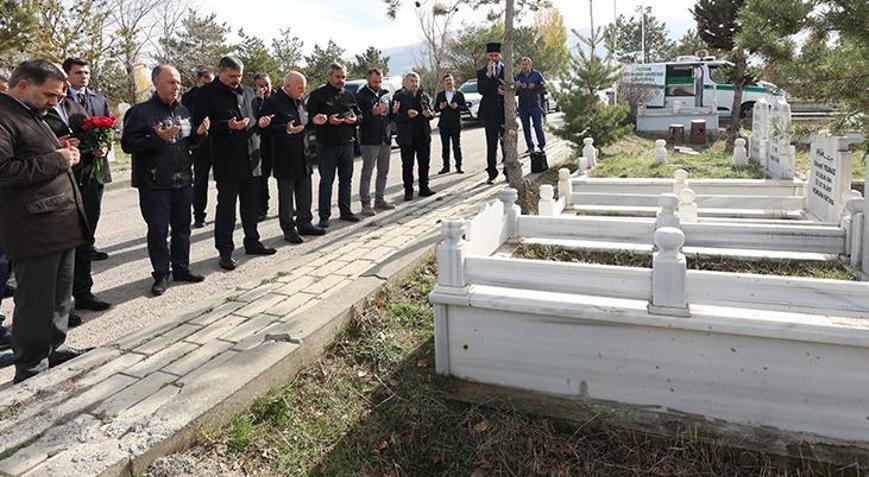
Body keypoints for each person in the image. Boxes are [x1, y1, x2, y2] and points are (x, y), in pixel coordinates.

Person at [0, 59, 91, 383]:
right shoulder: (4, 116)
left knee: (58, 299)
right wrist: (57, 159)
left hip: (58, 224)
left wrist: (58, 149)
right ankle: (30, 367)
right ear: (23, 85)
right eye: (49, 95)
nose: (54, 102)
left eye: (58, 96)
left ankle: (52, 349)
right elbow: (4, 172)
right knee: (36, 302)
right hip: (33, 230)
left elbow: (30, 154)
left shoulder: (29, 113)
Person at [122, 65, 208, 295]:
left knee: (182, 229)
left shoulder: (183, 110)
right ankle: (161, 274)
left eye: (178, 82)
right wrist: (156, 138)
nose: (176, 86)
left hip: (182, 180)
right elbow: (128, 145)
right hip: (154, 183)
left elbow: (188, 142)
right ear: (156, 83)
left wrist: (199, 135)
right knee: (159, 231)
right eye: (171, 82)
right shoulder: (140, 112)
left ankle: (181, 268)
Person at [192, 56, 276, 272]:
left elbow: (254, 117)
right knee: (227, 208)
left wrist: (262, 122)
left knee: (251, 205)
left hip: (251, 159)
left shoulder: (248, 92)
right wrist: (227, 126)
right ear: (221, 72)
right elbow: (199, 125)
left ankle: (252, 242)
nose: (236, 80)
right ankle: (225, 251)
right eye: (232, 76)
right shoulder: (206, 94)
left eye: (239, 75)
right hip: (227, 160)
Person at [43, 83, 100, 326]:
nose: (60, 95)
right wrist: (55, 145)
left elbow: (91, 133)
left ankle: (84, 293)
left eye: (64, 90)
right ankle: (61, 310)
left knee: (84, 239)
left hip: (84, 179)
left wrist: (99, 146)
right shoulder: (37, 112)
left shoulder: (74, 107)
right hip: (56, 184)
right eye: (55, 91)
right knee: (63, 249)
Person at [260, 71, 326, 244]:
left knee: (305, 193)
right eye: (300, 88)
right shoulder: (273, 103)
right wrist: (286, 129)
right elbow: (264, 130)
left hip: (303, 155)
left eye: (304, 88)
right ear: (287, 86)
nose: (303, 92)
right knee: (287, 197)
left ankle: (305, 223)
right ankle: (289, 229)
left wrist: (314, 121)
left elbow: (303, 124)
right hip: (284, 157)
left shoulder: (300, 101)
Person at [62, 57, 112, 262]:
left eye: (86, 73)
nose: (83, 76)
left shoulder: (99, 100)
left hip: (95, 165)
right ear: (67, 75)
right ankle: (72, 249)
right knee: (71, 212)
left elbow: (109, 129)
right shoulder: (59, 100)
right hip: (71, 165)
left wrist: (105, 147)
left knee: (93, 208)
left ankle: (87, 246)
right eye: (78, 72)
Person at [306, 63, 361, 228]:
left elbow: (359, 115)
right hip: (327, 145)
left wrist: (355, 119)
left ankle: (346, 211)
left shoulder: (349, 95)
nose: (341, 80)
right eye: (338, 77)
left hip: (347, 144)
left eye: (343, 77)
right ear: (329, 76)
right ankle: (324, 216)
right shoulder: (317, 95)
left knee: (346, 179)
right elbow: (308, 118)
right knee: (326, 181)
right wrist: (327, 120)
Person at [355, 68, 395, 216]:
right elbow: (358, 119)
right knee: (367, 172)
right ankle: (366, 204)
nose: (377, 84)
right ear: (368, 80)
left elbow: (389, 118)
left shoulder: (385, 94)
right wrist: (371, 113)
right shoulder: (360, 96)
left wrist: (394, 112)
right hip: (369, 140)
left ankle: (380, 199)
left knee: (383, 171)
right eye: (374, 82)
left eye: (380, 81)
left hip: (385, 138)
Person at [392, 72, 435, 201]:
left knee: (424, 163)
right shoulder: (399, 96)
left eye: (416, 81)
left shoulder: (424, 96)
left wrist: (429, 114)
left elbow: (432, 112)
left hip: (423, 135)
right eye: (411, 81)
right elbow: (394, 116)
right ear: (405, 83)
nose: (414, 84)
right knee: (407, 165)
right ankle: (408, 191)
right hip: (407, 137)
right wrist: (406, 114)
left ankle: (424, 187)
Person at [182, 69, 214, 229]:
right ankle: (199, 215)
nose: (209, 84)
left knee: (225, 181)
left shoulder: (217, 94)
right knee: (201, 180)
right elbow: (187, 119)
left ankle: (227, 212)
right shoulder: (189, 97)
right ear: (199, 79)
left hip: (217, 141)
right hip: (200, 143)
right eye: (206, 80)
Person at [477, 42, 506, 184]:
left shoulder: (506, 69)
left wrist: (505, 91)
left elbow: (513, 87)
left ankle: (508, 170)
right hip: (490, 112)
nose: (494, 58)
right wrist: (488, 76)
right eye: (491, 56)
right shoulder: (482, 72)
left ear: (499, 55)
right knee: (491, 143)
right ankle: (492, 173)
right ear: (488, 56)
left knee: (506, 142)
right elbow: (482, 90)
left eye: (496, 55)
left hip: (504, 111)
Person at [252, 72, 274, 221]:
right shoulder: (253, 101)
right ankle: (262, 207)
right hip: (262, 145)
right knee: (262, 179)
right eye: (260, 86)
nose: (264, 88)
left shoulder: (278, 98)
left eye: (266, 85)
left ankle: (288, 206)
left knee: (286, 179)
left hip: (278, 142)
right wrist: (259, 100)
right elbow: (255, 119)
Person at [434, 73, 465, 174]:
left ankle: (459, 166)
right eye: (447, 81)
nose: (449, 82)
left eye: (450, 80)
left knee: (456, 145)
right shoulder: (440, 95)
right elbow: (435, 109)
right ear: (443, 83)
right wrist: (440, 107)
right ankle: (446, 166)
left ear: (453, 81)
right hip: (444, 124)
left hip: (455, 124)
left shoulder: (459, 94)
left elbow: (464, 107)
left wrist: (457, 107)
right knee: (445, 146)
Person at [515, 57, 547, 154]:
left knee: (538, 126)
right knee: (526, 128)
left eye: (526, 64)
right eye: (523, 65)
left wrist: (535, 86)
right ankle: (530, 147)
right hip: (523, 106)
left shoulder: (537, 75)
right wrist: (519, 87)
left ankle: (542, 146)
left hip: (535, 105)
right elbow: (514, 91)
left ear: (530, 65)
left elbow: (544, 88)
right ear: (521, 65)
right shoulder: (517, 76)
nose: (524, 66)